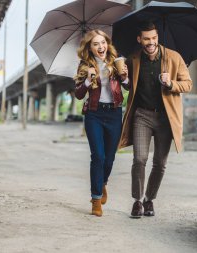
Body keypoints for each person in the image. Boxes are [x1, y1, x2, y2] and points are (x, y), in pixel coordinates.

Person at [118, 22, 192, 218]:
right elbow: (127, 87)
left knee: (160, 162)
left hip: (165, 118)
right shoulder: (133, 59)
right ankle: (137, 201)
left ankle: (149, 199)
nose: (150, 42)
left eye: (153, 38)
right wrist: (124, 78)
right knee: (139, 159)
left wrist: (170, 83)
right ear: (139, 39)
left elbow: (188, 84)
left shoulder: (173, 57)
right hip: (142, 115)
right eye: (146, 38)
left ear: (157, 37)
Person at [74, 29, 128, 217]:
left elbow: (128, 85)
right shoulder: (84, 66)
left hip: (114, 113)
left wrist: (125, 76)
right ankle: (96, 199)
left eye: (103, 42)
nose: (100, 47)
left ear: (107, 44)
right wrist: (88, 80)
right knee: (98, 156)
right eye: (95, 44)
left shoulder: (116, 61)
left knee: (110, 157)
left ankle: (102, 182)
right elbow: (79, 94)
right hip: (94, 114)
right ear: (90, 47)